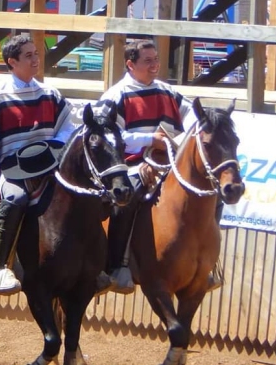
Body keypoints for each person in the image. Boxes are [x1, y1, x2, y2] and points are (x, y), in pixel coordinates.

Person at [96, 39, 222, 294]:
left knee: (212, 194)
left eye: (156, 60)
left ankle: (208, 264)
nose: (155, 66)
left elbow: (192, 116)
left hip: (170, 164)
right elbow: (106, 138)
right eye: (148, 61)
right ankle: (116, 266)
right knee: (126, 200)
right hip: (129, 166)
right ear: (130, 64)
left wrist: (185, 136)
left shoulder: (167, 91)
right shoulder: (115, 96)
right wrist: (149, 140)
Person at [0, 35, 78, 296]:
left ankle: (96, 266)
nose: (35, 60)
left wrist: (52, 146)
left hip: (49, 166)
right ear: (12, 62)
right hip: (12, 169)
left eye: (36, 54)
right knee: (16, 199)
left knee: (81, 194)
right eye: (28, 55)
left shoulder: (50, 94)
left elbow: (68, 129)